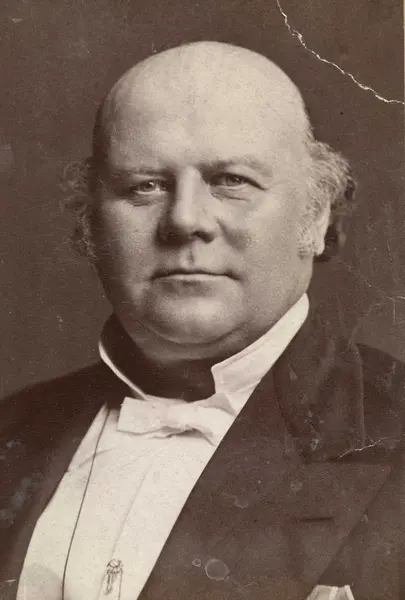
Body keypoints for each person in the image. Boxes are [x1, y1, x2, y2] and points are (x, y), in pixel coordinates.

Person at [0, 41, 404, 600]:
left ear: (316, 216)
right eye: (145, 185)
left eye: (231, 180)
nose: (185, 220)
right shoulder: (12, 430)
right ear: (91, 224)